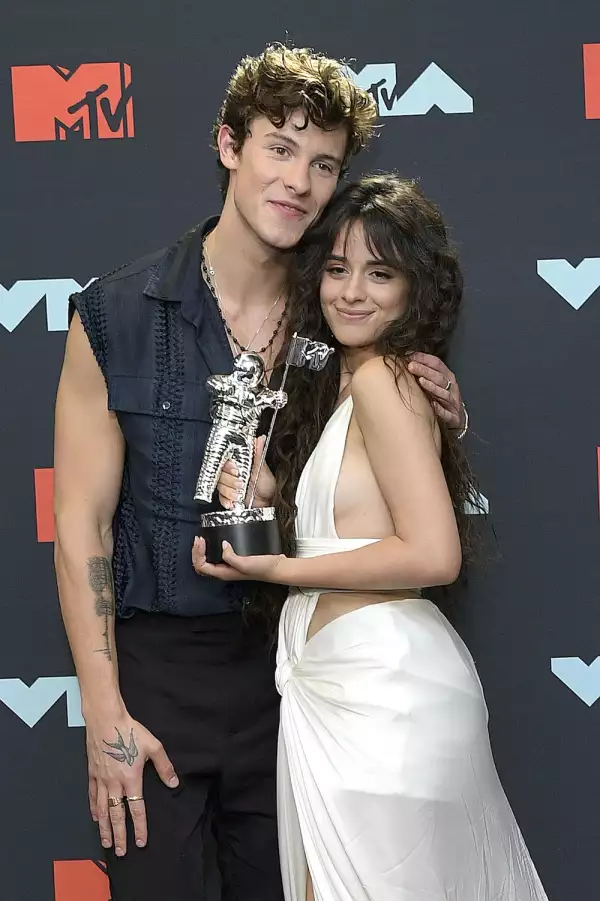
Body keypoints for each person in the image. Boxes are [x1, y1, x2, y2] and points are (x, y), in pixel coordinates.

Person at [53, 44, 467, 901]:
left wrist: (436, 399)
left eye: (324, 163)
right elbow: (82, 524)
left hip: (295, 679)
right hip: (156, 677)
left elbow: (390, 445)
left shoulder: (343, 311)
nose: (299, 182)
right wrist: (104, 714)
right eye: (279, 147)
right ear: (228, 145)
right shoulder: (118, 313)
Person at [193, 175, 549, 901]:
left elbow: (432, 553)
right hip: (333, 690)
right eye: (336, 268)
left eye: (380, 273)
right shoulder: (341, 381)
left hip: (387, 698)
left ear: (415, 288)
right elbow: (271, 494)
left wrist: (277, 568)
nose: (352, 292)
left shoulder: (387, 378)